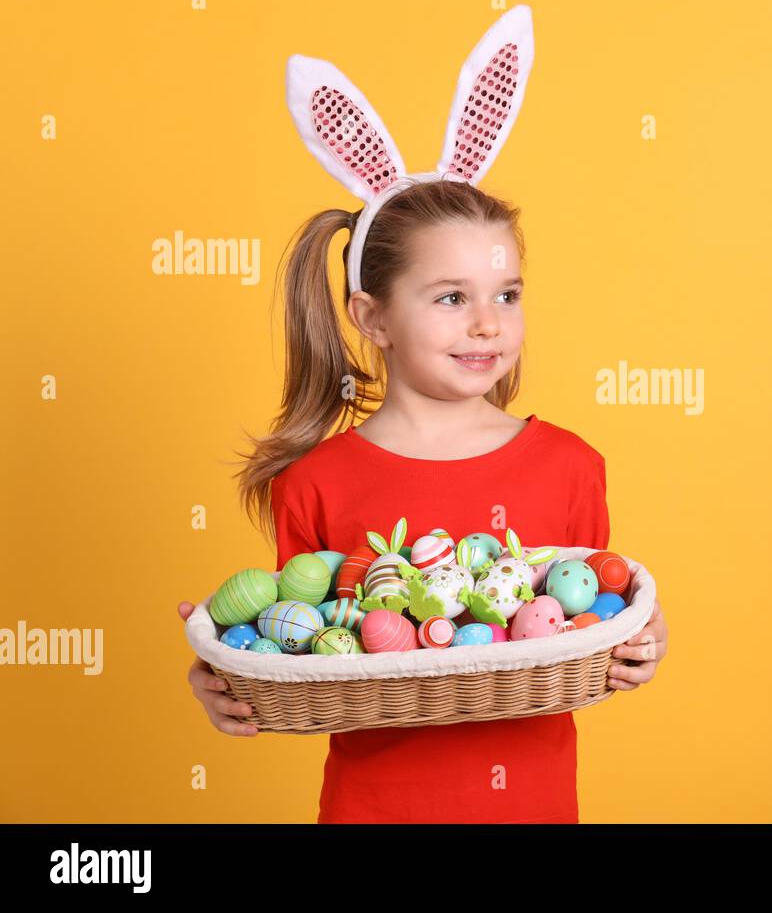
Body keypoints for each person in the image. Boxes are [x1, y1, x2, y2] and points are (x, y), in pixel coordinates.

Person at [176, 178, 668, 822]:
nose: (488, 322)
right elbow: (299, 647)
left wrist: (641, 639)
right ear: (372, 317)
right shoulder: (316, 483)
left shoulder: (570, 467)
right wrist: (224, 674)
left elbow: (591, 613)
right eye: (452, 297)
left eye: (507, 295)